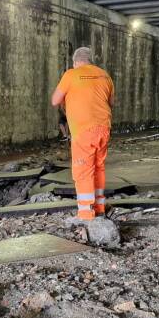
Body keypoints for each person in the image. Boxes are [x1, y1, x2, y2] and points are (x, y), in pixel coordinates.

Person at [51, 46, 115, 221]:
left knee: (83, 170)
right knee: (98, 167)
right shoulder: (104, 75)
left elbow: (55, 100)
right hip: (103, 128)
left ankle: (86, 213)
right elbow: (111, 102)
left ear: (75, 61)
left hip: (83, 130)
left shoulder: (71, 74)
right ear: (90, 60)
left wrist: (69, 98)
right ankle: (100, 207)